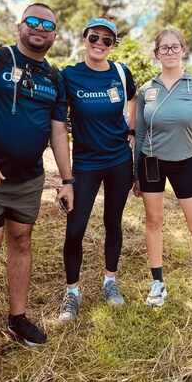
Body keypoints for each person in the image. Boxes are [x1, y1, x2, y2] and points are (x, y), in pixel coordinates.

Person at [0, 3, 74, 375]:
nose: (40, 28)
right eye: (33, 21)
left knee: (21, 241)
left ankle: (17, 319)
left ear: (54, 35)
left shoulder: (54, 77)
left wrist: (67, 180)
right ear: (20, 26)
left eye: (47, 25)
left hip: (28, 180)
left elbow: (58, 132)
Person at [133, 27, 192, 308]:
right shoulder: (146, 90)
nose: (170, 52)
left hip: (185, 165)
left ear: (183, 50)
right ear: (156, 53)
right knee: (153, 222)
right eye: (164, 48)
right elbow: (140, 134)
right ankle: (157, 284)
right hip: (151, 163)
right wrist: (135, 174)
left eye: (175, 46)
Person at [58, 16, 137, 322]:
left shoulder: (121, 72)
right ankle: (72, 293)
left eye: (107, 40)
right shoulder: (69, 76)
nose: (99, 44)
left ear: (113, 45)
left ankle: (110, 281)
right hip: (86, 165)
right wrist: (65, 176)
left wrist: (131, 131)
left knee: (112, 222)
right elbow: (57, 121)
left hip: (119, 161)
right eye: (94, 37)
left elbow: (133, 98)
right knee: (75, 228)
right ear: (84, 39)